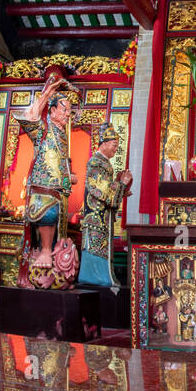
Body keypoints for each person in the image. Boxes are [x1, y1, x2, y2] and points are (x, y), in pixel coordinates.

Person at [17, 79, 77, 268]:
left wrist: (69, 176)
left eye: (69, 110)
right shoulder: (43, 129)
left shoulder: (62, 135)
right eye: (64, 109)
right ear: (52, 110)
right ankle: (44, 251)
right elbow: (31, 116)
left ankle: (50, 252)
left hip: (58, 192)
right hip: (43, 191)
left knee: (57, 221)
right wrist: (47, 93)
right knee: (47, 216)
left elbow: (60, 161)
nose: (68, 114)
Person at [78, 123, 132, 287]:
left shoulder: (103, 163)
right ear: (105, 143)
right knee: (95, 248)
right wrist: (121, 184)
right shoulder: (95, 163)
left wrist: (121, 189)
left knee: (101, 247)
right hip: (95, 217)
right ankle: (94, 277)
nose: (116, 149)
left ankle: (101, 277)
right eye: (114, 145)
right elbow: (101, 189)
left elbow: (107, 190)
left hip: (102, 217)